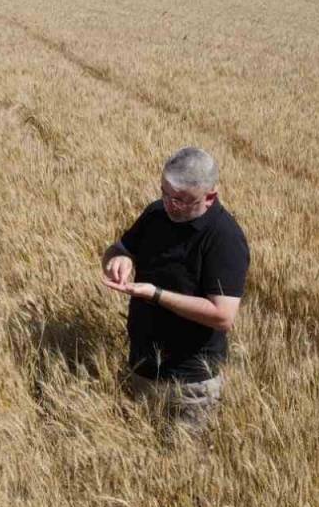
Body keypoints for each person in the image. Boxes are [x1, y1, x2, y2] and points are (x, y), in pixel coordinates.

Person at [101, 147, 250, 429]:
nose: (170, 204)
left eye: (181, 199)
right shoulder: (156, 214)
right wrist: (118, 258)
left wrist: (155, 295)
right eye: (165, 193)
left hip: (191, 385)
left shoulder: (224, 238)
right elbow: (119, 248)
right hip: (142, 367)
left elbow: (223, 316)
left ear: (210, 196)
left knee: (183, 465)